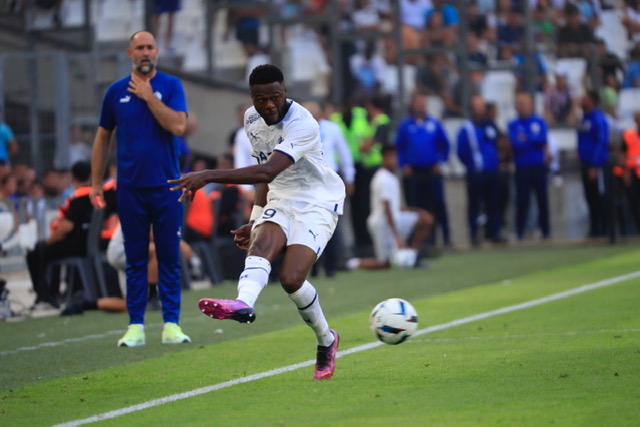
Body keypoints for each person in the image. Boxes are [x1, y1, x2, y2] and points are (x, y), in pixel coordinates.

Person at [169, 64, 343, 380]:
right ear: (252, 97)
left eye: (275, 97)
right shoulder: (252, 119)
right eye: (261, 99)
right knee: (261, 246)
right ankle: (242, 303)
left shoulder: (303, 123)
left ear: (285, 92)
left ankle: (327, 340)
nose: (269, 105)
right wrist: (255, 219)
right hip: (280, 197)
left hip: (317, 201)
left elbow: (267, 171)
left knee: (291, 279)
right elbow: (262, 168)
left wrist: (207, 174)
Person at [89, 31, 191, 347]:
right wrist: (96, 182)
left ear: (157, 51)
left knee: (169, 257)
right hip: (130, 188)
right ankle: (135, 325)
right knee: (134, 259)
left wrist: (148, 96)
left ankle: (171, 324)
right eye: (140, 48)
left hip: (167, 186)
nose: (146, 52)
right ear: (130, 53)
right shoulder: (115, 91)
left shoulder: (171, 86)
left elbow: (177, 126)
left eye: (150, 47)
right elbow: (103, 136)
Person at [347, 145, 433, 270]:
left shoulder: (392, 176)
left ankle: (412, 257)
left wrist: (416, 211)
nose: (393, 160)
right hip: (383, 224)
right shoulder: (382, 178)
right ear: (383, 158)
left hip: (395, 219)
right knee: (384, 264)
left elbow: (394, 206)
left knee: (426, 218)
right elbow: (387, 208)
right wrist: (396, 236)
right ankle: (352, 263)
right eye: (390, 157)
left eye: (395, 156)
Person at [395, 92, 451, 247]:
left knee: (437, 203)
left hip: (432, 171)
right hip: (413, 172)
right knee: (415, 205)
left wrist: (440, 162)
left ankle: (444, 236)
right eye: (418, 102)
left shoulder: (434, 124)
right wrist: (403, 164)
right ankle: (419, 239)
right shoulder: (406, 125)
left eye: (423, 102)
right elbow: (399, 147)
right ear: (413, 104)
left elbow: (445, 145)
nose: (421, 105)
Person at [456, 96, 503, 246]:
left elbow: (500, 144)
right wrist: (470, 164)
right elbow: (461, 151)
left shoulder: (491, 125)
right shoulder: (467, 128)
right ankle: (474, 234)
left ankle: (494, 232)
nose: (480, 109)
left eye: (482, 106)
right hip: (475, 172)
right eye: (477, 106)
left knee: (493, 203)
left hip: (491, 171)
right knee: (474, 204)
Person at [507, 93, 551, 240]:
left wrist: (527, 138)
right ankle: (519, 231)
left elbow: (542, 139)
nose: (524, 107)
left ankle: (546, 231)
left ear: (531, 105)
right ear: (517, 107)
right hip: (522, 168)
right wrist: (532, 139)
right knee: (521, 201)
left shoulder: (539, 122)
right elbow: (515, 144)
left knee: (542, 200)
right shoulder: (513, 124)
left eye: (526, 104)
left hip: (538, 167)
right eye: (521, 104)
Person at [577, 90, 611, 238]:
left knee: (600, 196)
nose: (581, 101)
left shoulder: (598, 119)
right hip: (585, 164)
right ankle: (594, 229)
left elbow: (601, 143)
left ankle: (605, 229)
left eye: (585, 98)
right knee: (589, 197)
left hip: (597, 165)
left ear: (592, 100)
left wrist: (594, 165)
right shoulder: (583, 119)